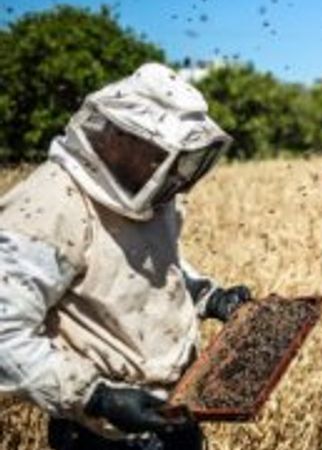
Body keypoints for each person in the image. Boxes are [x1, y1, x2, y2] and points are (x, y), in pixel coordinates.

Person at [0, 63, 252, 450]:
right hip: (97, 434)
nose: (163, 168)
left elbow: (151, 267)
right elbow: (5, 334)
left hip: (172, 413)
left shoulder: (149, 194)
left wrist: (209, 296)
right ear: (119, 138)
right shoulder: (49, 206)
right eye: (155, 154)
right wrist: (97, 397)